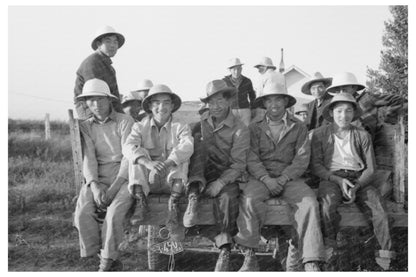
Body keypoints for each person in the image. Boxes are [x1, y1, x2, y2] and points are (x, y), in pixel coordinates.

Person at [233, 79, 325, 271]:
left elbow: (302, 158)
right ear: (264, 103)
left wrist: (283, 179)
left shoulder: (298, 126)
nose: (274, 105)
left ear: (286, 102)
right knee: (249, 201)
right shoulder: (254, 127)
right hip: (261, 178)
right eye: (269, 100)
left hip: (290, 178)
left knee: (309, 203)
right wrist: (266, 179)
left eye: (278, 100)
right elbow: (251, 157)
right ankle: (249, 256)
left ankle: (311, 260)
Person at [310, 93, 396, 270]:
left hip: (358, 178)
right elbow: (316, 165)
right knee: (326, 206)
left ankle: (384, 254)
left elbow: (371, 169)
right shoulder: (319, 134)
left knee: (378, 208)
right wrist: (337, 180)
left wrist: (356, 186)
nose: (344, 115)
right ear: (332, 112)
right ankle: (329, 247)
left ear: (354, 113)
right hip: (332, 177)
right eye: (339, 111)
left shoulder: (362, 135)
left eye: (349, 111)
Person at [187, 79, 249, 271]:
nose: (215, 106)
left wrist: (220, 183)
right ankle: (193, 194)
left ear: (229, 101)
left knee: (228, 198)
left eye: (220, 101)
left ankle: (224, 248)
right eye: (211, 102)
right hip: (202, 173)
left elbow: (239, 164)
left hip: (227, 174)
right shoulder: (201, 123)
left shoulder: (240, 128)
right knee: (198, 142)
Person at [73, 78, 134, 271]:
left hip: (124, 176)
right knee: (82, 212)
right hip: (97, 175)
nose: (96, 105)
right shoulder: (86, 126)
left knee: (114, 213)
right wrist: (94, 185)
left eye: (100, 99)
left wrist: (115, 187)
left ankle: (106, 261)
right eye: (91, 100)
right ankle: (98, 252)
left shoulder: (125, 122)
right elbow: (88, 158)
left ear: (109, 100)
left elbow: (128, 157)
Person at [122, 84, 194, 241]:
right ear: (149, 106)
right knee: (136, 153)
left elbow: (187, 146)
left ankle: (173, 204)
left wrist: (168, 162)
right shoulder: (139, 127)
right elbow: (127, 147)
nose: (161, 107)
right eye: (156, 103)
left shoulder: (181, 126)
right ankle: (141, 201)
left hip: (173, 182)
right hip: (148, 183)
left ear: (172, 106)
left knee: (181, 154)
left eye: (166, 102)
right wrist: (148, 163)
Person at [325, 72, 405, 140]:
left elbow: (398, 100)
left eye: (344, 89)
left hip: (371, 143)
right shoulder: (336, 106)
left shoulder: (367, 98)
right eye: (338, 90)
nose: (341, 92)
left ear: (354, 88)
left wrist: (388, 120)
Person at [74, 26, 125, 119]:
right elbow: (96, 95)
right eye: (108, 41)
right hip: (91, 113)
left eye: (115, 42)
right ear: (98, 44)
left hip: (105, 110)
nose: (112, 45)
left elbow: (115, 98)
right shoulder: (92, 63)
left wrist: (122, 116)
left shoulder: (109, 67)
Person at [222, 58, 256, 126]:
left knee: (245, 131)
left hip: (245, 111)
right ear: (230, 70)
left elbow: (252, 96)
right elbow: (222, 96)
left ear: (241, 69)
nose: (236, 71)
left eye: (238, 69)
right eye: (234, 69)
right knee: (231, 131)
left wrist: (253, 108)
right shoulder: (224, 81)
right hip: (231, 111)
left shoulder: (247, 81)